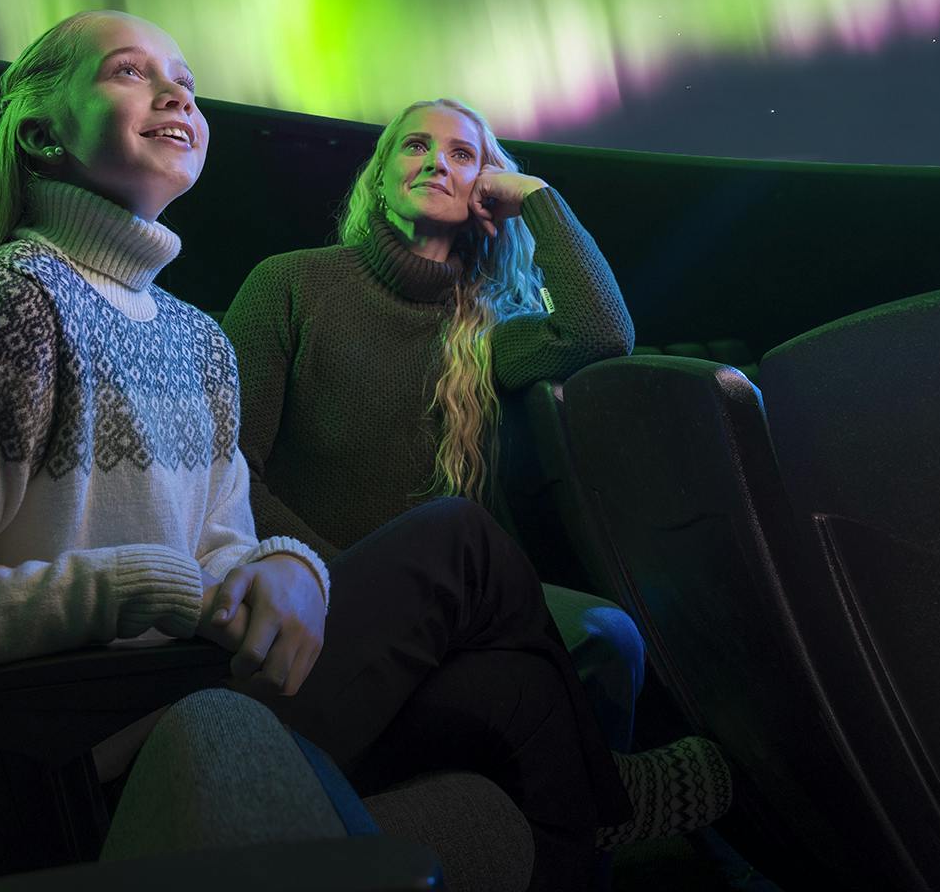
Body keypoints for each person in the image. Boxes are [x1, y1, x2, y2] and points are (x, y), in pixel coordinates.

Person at [0, 15, 726, 891]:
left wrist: (287, 568)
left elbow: (224, 540)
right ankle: (612, 792)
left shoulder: (192, 337)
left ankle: (596, 814)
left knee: (515, 696)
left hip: (221, 665)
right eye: (130, 70)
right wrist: (168, 581)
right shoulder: (12, 307)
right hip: (95, 726)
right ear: (40, 134)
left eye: (186, 82)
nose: (176, 94)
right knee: (459, 540)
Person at [221, 99, 650, 744]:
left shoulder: (489, 327)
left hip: (456, 604)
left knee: (607, 636)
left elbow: (602, 333)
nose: (436, 164)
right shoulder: (290, 283)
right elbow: (227, 469)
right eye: (416, 146)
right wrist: (335, 576)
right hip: (320, 582)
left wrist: (537, 196)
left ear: (484, 187)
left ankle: (605, 795)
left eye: (462, 154)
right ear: (380, 176)